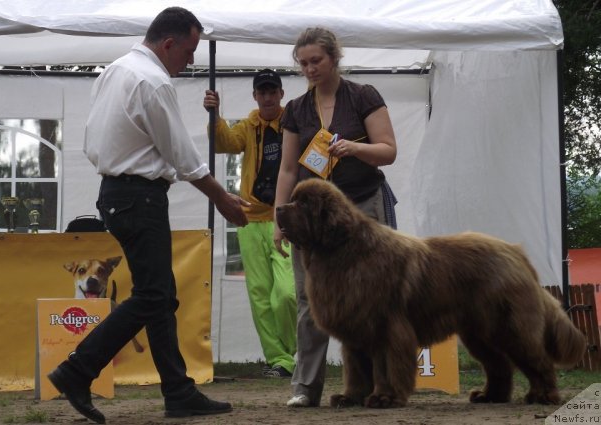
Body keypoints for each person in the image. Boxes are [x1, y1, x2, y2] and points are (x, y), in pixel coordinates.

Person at [47, 7, 248, 423]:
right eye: (189, 51)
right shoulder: (153, 80)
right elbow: (183, 156)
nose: (191, 61)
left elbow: (93, 140)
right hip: (140, 198)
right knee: (154, 295)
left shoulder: (114, 71)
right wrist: (222, 199)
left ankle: (178, 392)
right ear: (169, 44)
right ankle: (77, 370)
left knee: (160, 297)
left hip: (117, 194)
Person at [273, 27, 398, 408]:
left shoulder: (363, 96)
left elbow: (388, 151)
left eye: (317, 61)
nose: (310, 69)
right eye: (304, 63)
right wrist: (280, 220)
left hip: (364, 207)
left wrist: (355, 149)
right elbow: (289, 170)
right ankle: (305, 387)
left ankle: (381, 385)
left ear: (334, 58)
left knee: (373, 299)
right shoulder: (295, 109)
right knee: (312, 300)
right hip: (313, 220)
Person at [203, 70, 297, 378]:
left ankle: (294, 351)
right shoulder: (248, 126)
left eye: (273, 92)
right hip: (250, 220)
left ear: (281, 94)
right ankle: (280, 360)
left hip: (285, 219)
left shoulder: (293, 123)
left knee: (286, 293)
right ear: (255, 96)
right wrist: (214, 114)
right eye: (262, 92)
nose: (268, 97)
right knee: (260, 295)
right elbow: (223, 144)